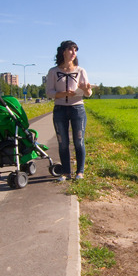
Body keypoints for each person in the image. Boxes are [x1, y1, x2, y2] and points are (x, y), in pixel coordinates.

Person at [46, 40, 93, 181]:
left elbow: (88, 94)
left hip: (77, 109)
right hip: (60, 109)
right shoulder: (53, 71)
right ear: (63, 51)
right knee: (63, 142)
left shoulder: (80, 71)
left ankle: (80, 172)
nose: (74, 53)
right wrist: (64, 94)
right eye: (71, 50)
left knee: (79, 141)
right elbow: (49, 92)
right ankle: (66, 172)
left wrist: (85, 89)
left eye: (75, 50)